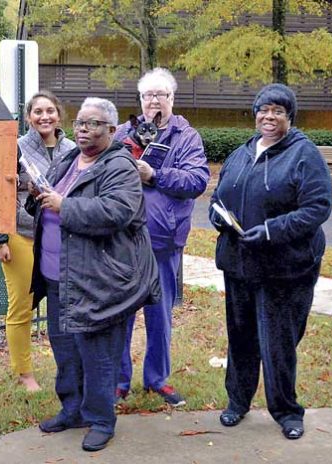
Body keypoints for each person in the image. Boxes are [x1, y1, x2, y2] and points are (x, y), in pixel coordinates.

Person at [28, 97, 160, 452]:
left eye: (94, 124)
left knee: (98, 354)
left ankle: (102, 419)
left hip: (100, 279)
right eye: (81, 123)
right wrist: (36, 195)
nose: (84, 129)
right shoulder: (71, 158)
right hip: (59, 276)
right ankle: (73, 409)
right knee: (65, 348)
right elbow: (50, 199)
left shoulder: (120, 165)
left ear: (112, 131)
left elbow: (117, 211)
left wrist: (64, 205)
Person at [209, 83, 332, 440]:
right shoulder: (241, 153)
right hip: (239, 265)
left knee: (278, 343)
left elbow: (317, 208)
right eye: (263, 110)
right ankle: (237, 401)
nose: (268, 116)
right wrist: (218, 216)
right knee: (241, 338)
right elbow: (218, 196)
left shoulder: (304, 155)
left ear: (289, 116)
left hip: (285, 269)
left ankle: (286, 411)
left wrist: (270, 231)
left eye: (277, 111)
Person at [115, 67, 210, 406]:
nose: (153, 101)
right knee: (120, 313)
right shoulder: (123, 133)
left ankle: (157, 378)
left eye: (160, 94)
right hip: (123, 240)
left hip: (163, 239)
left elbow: (196, 181)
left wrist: (155, 174)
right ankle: (118, 380)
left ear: (172, 98)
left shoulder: (186, 137)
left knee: (160, 314)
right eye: (147, 95)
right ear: (139, 100)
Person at [0, 90, 75, 392]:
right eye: (37, 112)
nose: (44, 117)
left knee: (65, 307)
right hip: (22, 235)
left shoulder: (73, 149)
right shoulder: (15, 148)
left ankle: (68, 367)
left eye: (50, 110)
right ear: (28, 117)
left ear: (59, 115)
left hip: (60, 238)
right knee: (22, 306)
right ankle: (24, 373)